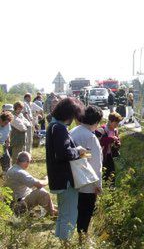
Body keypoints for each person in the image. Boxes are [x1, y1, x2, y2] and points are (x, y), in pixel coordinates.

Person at [45, 97, 88, 244]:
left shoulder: (53, 126)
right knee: (70, 214)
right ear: (68, 114)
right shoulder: (60, 129)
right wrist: (79, 150)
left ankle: (62, 242)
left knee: (64, 213)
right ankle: (66, 244)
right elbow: (64, 153)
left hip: (58, 178)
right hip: (66, 179)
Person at [70, 105, 103, 241]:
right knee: (86, 210)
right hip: (87, 181)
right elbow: (93, 163)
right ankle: (83, 237)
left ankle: (75, 234)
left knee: (76, 208)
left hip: (72, 177)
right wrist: (98, 184)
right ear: (96, 121)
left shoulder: (73, 131)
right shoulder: (90, 137)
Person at [6, 151, 57, 216]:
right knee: (42, 192)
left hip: (13, 203)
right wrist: (47, 179)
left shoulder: (11, 169)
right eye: (29, 162)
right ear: (27, 162)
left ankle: (54, 211)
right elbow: (39, 185)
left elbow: (32, 183)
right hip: (19, 205)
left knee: (47, 202)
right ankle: (53, 213)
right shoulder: (20, 172)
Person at [96, 112, 122, 185]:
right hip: (101, 156)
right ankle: (103, 189)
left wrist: (118, 144)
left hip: (110, 155)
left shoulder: (115, 130)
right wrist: (110, 139)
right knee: (103, 173)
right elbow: (97, 142)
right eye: (115, 123)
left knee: (111, 173)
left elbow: (117, 140)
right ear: (110, 121)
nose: (117, 125)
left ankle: (111, 189)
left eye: (118, 123)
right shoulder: (101, 130)